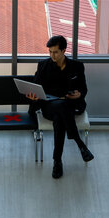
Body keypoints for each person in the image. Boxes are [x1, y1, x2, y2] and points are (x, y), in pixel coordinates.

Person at [27, 35, 94, 179]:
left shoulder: (77, 66)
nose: (52, 55)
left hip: (70, 104)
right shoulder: (43, 65)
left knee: (60, 119)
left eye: (55, 52)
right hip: (50, 105)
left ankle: (57, 162)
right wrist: (34, 96)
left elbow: (84, 88)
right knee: (60, 108)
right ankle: (79, 143)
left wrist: (79, 94)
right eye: (50, 52)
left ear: (64, 51)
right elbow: (36, 86)